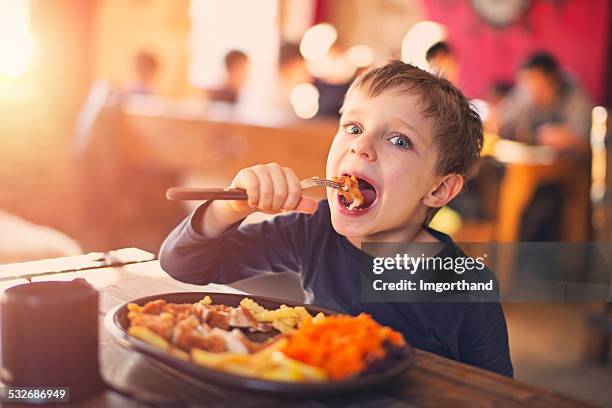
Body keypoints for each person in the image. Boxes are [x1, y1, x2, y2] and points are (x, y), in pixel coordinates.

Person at [159, 61, 513, 377]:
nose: (361, 146)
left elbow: (499, 395)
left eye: (399, 140)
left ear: (439, 190)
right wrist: (230, 208)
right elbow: (183, 265)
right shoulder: (314, 228)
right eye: (354, 127)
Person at [498, 52, 592, 153]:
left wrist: (568, 136)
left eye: (540, 89)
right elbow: (503, 119)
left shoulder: (572, 91)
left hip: (567, 162)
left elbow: (583, 137)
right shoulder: (524, 90)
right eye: (527, 86)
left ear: (554, 81)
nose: (533, 95)